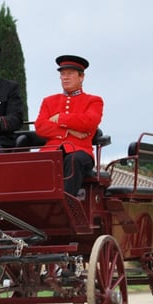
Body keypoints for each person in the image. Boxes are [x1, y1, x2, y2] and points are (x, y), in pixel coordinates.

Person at [34, 55, 103, 198]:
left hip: (81, 151)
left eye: (70, 74)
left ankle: (65, 202)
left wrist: (60, 117)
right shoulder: (49, 101)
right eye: (62, 74)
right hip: (52, 150)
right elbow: (40, 127)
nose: (65, 77)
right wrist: (69, 130)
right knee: (33, 162)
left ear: (81, 77)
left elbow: (89, 121)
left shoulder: (94, 100)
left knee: (73, 160)